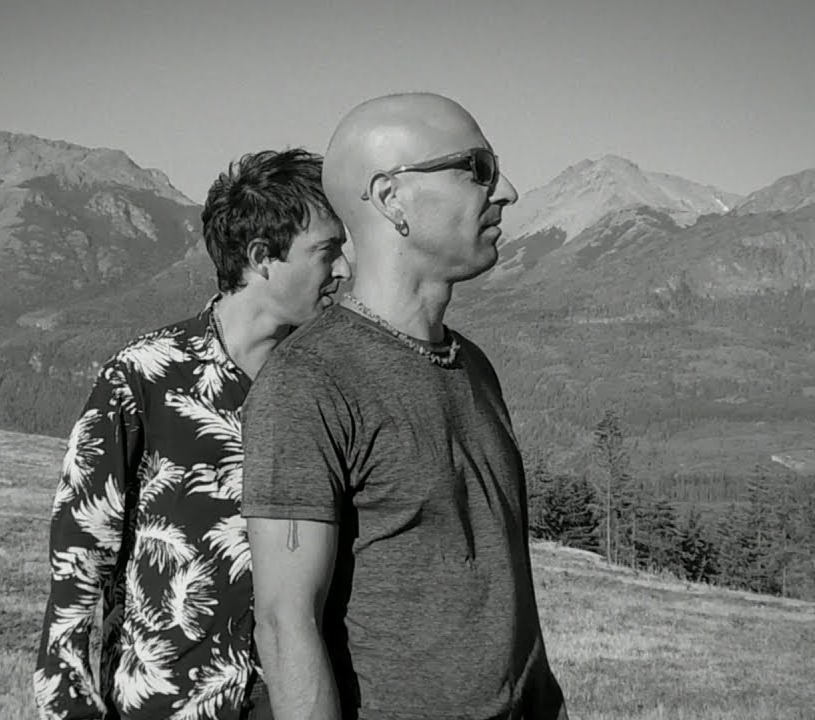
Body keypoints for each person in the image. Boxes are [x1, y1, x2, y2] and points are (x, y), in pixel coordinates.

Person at [241, 93, 568, 720]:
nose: (507, 192)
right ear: (391, 198)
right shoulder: (308, 382)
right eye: (478, 169)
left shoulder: (473, 366)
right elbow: (285, 625)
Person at [34, 148, 352, 720]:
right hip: (164, 704)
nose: (344, 270)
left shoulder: (330, 385)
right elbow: (80, 559)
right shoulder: (145, 377)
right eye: (327, 251)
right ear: (262, 257)